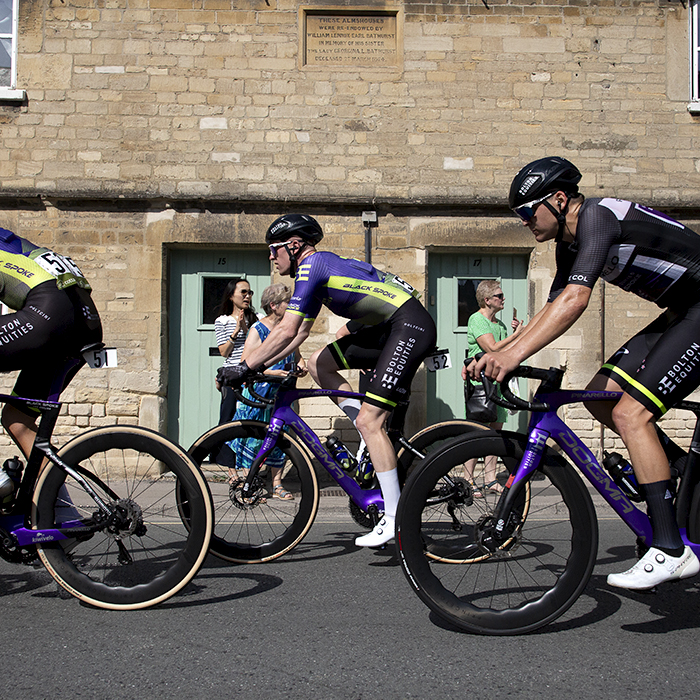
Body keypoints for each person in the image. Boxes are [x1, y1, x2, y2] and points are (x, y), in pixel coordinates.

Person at [470, 156, 700, 590]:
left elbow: (576, 299)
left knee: (633, 414)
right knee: (602, 396)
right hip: (683, 311)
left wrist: (513, 355)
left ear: (558, 200)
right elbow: (553, 307)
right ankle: (677, 471)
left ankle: (670, 548)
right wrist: (499, 351)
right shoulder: (569, 241)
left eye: (527, 212)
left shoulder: (596, 218)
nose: (524, 222)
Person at [218, 214, 437, 547]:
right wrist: (253, 366)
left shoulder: (313, 266)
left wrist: (245, 366)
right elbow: (297, 334)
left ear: (294, 246)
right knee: (320, 362)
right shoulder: (318, 274)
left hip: (408, 325)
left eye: (273, 249)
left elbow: (288, 330)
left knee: (370, 420)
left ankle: (395, 516)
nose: (270, 257)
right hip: (388, 328)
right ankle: (369, 436)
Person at [0, 228, 102, 464]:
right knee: (17, 419)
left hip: (51, 314)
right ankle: (54, 500)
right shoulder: (12, 241)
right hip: (85, 323)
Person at [228, 283, 307, 499]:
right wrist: (273, 373)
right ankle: (249, 483)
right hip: (258, 395)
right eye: (287, 303)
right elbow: (246, 363)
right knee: (253, 440)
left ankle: (276, 484)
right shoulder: (258, 330)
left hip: (282, 394)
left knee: (280, 438)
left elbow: (296, 355)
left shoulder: (289, 329)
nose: (292, 307)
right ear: (273, 305)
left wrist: (301, 366)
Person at [461, 280, 523, 496]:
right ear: (487, 300)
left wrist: (516, 334)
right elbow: (492, 347)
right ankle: (467, 480)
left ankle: (490, 479)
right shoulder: (476, 319)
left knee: (495, 433)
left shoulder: (501, 325)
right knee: (476, 433)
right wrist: (517, 336)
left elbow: (508, 353)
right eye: (499, 295)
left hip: (497, 382)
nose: (503, 298)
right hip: (481, 384)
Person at [213, 278, 257, 425]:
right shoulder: (222, 321)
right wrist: (236, 331)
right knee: (227, 418)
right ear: (231, 296)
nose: (247, 296)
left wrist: (246, 327)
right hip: (232, 374)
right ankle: (220, 447)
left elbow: (259, 346)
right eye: (243, 292)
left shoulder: (257, 319)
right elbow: (224, 352)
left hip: (251, 374)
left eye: (250, 292)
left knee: (250, 418)